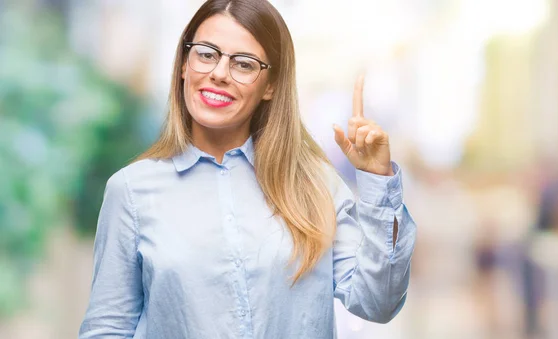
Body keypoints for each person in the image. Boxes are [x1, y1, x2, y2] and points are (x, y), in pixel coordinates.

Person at [78, 0, 416, 338]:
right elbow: (108, 328)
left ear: (270, 86)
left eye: (243, 64)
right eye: (206, 54)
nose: (219, 73)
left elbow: (377, 302)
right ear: (184, 64)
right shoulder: (132, 192)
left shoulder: (315, 185)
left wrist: (377, 181)